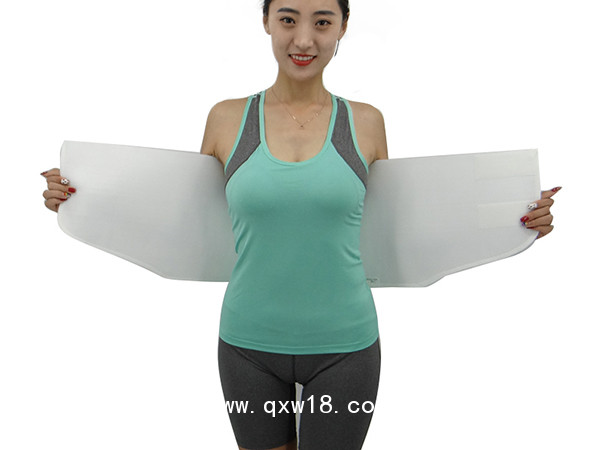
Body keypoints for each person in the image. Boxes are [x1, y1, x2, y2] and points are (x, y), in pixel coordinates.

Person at [41, 0, 560, 448]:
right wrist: (82, 198)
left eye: (323, 22)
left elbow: (400, 221)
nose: (304, 39)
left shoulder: (366, 122)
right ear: (266, 21)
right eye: (288, 19)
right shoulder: (226, 119)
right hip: (246, 346)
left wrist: (514, 219)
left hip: (346, 348)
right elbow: (186, 214)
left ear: (343, 27)